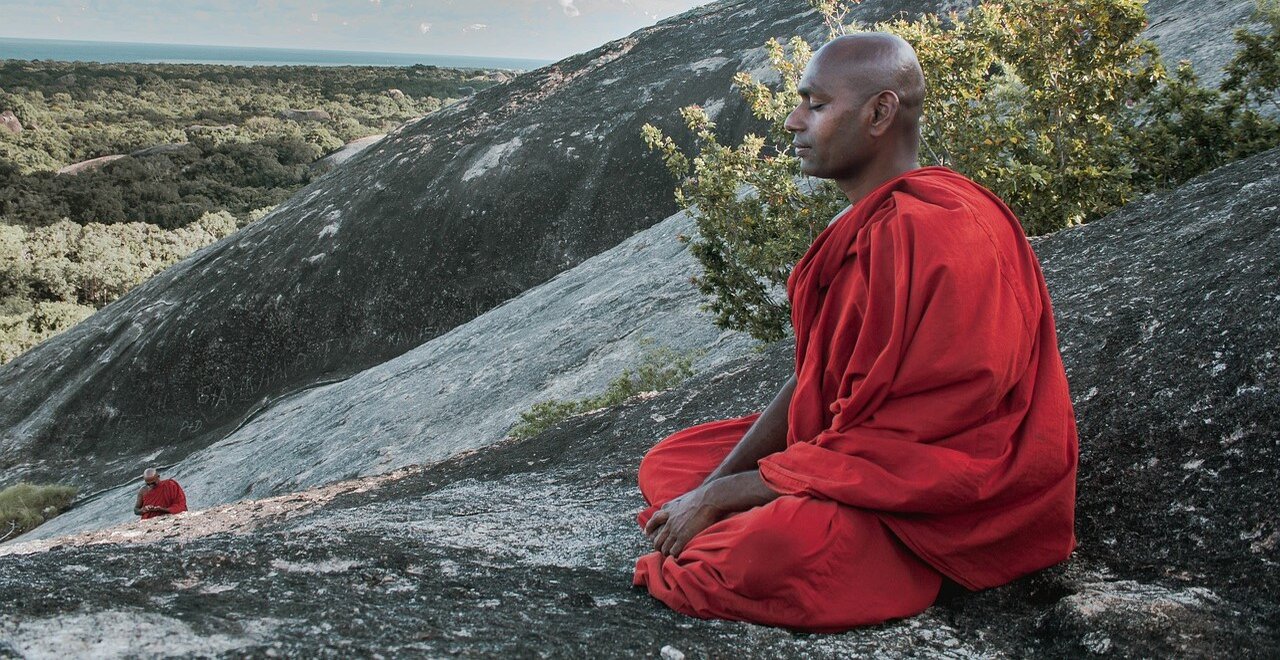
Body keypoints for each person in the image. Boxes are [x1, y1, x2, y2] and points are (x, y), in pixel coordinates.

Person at [632, 32, 1079, 631]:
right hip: (856, 455)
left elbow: (925, 440)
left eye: (816, 105)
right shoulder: (868, 224)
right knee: (670, 465)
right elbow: (815, 376)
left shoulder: (946, 231)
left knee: (755, 555)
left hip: (941, 492)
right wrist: (713, 485)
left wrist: (723, 497)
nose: (793, 122)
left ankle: (901, 559)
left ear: (880, 112)